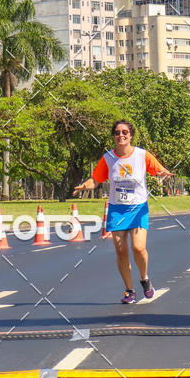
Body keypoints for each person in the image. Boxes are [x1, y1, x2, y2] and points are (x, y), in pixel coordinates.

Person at [74, 120, 173, 304]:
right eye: (117, 132)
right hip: (117, 209)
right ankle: (129, 290)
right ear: (114, 136)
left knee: (138, 248)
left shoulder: (143, 155)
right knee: (121, 251)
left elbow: (158, 170)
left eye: (125, 132)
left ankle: (144, 279)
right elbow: (95, 180)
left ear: (131, 135)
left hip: (138, 208)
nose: (121, 135)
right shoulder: (108, 158)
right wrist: (85, 186)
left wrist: (163, 173)